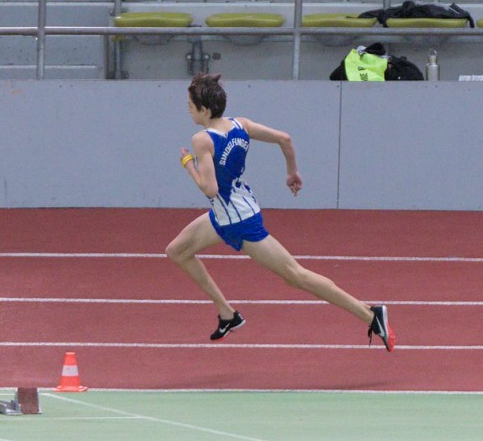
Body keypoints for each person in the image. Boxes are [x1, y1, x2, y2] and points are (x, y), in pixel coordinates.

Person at [165, 73, 393, 349]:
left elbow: (209, 188)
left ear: (204, 109)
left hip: (239, 222)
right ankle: (227, 314)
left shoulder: (202, 140)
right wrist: (292, 172)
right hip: (228, 213)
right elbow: (284, 139)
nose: (187, 109)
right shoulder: (241, 124)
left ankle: (370, 314)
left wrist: (188, 164)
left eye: (190, 105)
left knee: (295, 275)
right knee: (177, 251)